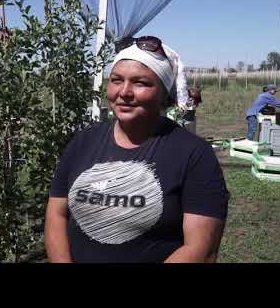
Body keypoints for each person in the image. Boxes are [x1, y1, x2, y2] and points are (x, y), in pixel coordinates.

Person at [44, 35, 229, 263]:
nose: (124, 92)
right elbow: (56, 214)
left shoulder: (193, 155)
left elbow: (201, 249)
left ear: (164, 93)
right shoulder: (83, 142)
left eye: (140, 83)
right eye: (116, 80)